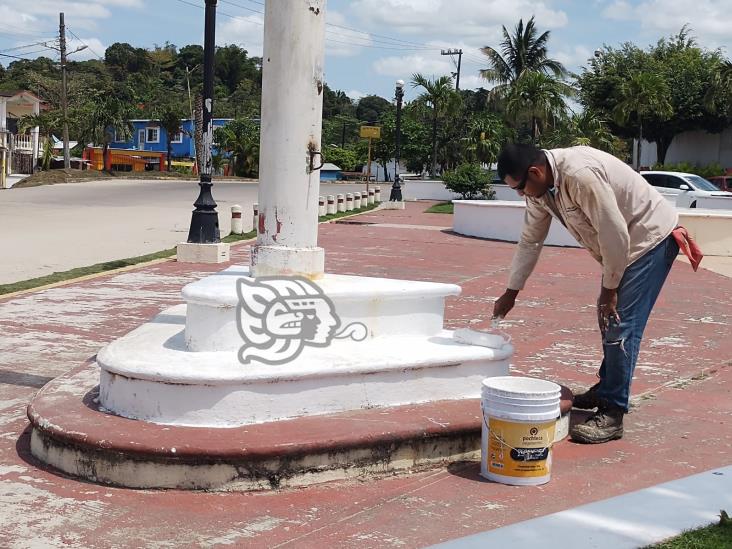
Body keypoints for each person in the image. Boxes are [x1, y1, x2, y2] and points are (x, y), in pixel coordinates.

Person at [493, 143, 683, 444]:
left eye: (520, 187)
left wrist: (609, 290)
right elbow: (530, 241)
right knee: (609, 319)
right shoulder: (540, 191)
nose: (520, 194)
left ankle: (612, 412)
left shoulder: (579, 175)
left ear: (535, 171)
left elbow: (614, 232)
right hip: (622, 246)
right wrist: (511, 291)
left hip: (649, 241)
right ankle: (608, 386)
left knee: (620, 323)